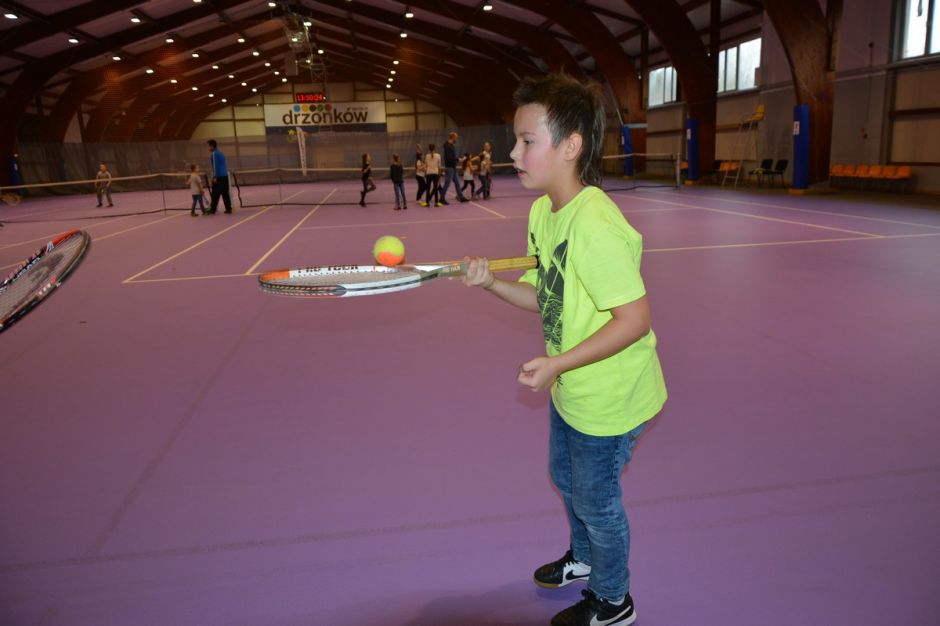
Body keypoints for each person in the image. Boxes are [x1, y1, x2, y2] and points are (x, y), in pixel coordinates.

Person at [461, 74, 667, 626]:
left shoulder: (595, 225)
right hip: (573, 385)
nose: (513, 153)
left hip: (610, 394)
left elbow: (634, 320)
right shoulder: (542, 214)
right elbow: (545, 297)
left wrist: (557, 363)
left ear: (571, 146)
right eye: (516, 140)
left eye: (527, 141)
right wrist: (490, 283)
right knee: (567, 479)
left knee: (597, 500)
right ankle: (583, 559)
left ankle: (613, 600)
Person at [438, 131, 468, 204]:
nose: (456, 139)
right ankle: (441, 199)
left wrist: (458, 159)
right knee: (447, 183)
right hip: (450, 168)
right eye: (456, 138)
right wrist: (458, 159)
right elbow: (449, 158)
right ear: (453, 137)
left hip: (453, 167)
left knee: (457, 183)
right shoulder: (448, 146)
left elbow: (452, 157)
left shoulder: (451, 145)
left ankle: (461, 197)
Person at [206, 139, 233, 214]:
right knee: (225, 193)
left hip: (219, 177)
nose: (207, 148)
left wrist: (215, 176)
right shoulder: (221, 153)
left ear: (212, 146)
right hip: (225, 176)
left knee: (215, 193)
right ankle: (228, 208)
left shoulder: (214, 153)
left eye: (208, 146)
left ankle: (213, 209)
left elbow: (215, 166)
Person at [422, 143, 441, 207]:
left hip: (429, 173)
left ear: (429, 149)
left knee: (428, 188)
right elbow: (439, 166)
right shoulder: (438, 155)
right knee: (435, 188)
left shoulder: (427, 156)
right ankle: (436, 203)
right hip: (435, 173)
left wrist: (425, 172)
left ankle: (427, 203)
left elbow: (426, 165)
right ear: (434, 148)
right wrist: (439, 175)